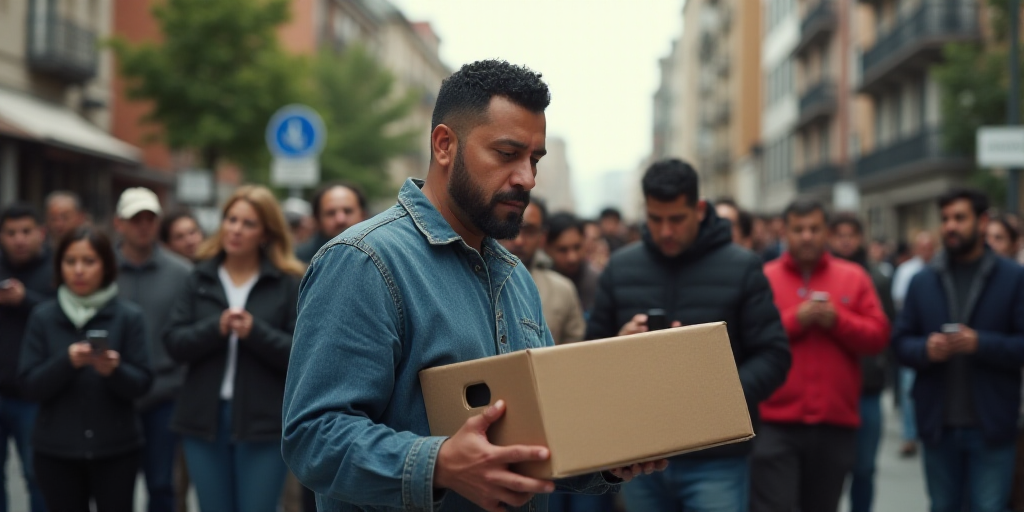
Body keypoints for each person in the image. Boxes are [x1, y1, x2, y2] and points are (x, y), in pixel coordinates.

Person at [283, 59, 660, 512]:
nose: (527, 178)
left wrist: (607, 457)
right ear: (444, 145)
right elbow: (313, 437)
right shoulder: (363, 261)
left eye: (534, 160)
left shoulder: (516, 277)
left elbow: (535, 438)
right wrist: (439, 464)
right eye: (507, 153)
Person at [585, 159, 790, 512]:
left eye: (676, 219)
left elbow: (774, 355)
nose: (666, 231)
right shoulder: (621, 267)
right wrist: (619, 344)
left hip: (717, 456)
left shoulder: (742, 266)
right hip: (640, 453)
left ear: (699, 209)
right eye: (655, 219)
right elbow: (588, 358)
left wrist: (716, 396)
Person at [163, 185, 304, 512]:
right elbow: (174, 342)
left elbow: (300, 354)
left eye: (248, 223)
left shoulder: (287, 282)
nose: (236, 229)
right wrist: (217, 327)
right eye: (231, 219)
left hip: (263, 420)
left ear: (266, 233)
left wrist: (255, 332)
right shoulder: (199, 277)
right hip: (204, 418)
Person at [892, 188, 1024, 512]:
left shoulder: (1013, 278)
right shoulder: (923, 281)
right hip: (938, 425)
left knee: (989, 507)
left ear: (982, 222)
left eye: (960, 218)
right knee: (943, 506)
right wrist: (926, 349)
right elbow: (900, 343)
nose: (950, 226)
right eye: (945, 219)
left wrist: (981, 343)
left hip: (992, 424)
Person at [753, 200, 889, 512]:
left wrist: (838, 321)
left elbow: (879, 337)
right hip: (775, 422)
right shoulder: (764, 277)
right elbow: (748, 337)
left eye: (814, 229)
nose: (807, 236)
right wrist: (794, 321)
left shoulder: (853, 277)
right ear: (785, 232)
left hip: (834, 422)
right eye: (798, 229)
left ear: (826, 232)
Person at [19, 226, 153, 512]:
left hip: (116, 448)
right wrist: (66, 363)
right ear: (59, 266)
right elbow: (29, 384)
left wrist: (114, 370)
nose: (79, 270)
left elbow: (142, 383)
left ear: (106, 265)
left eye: (89, 261)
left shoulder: (128, 316)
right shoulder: (43, 316)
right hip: (56, 449)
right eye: (70, 261)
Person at [113, 188, 193, 512]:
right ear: (119, 223)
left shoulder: (181, 272)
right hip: (113, 393)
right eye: (136, 219)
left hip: (164, 395)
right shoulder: (101, 268)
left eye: (150, 218)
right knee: (114, 485)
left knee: (162, 484)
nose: (143, 225)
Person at [829, 213, 897, 512]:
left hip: (868, 386)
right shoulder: (821, 275)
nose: (845, 241)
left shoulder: (876, 278)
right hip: (832, 387)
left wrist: (883, 368)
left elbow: (887, 328)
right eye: (840, 235)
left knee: (865, 468)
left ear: (860, 238)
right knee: (829, 470)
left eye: (851, 235)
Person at [0, 204, 54, 512]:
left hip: (34, 396)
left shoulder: (56, 268)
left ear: (41, 233)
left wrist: (25, 300)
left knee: (38, 476)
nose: (19, 239)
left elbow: (64, 316)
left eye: (25, 231)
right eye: (11, 233)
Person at [499, 199, 585, 345]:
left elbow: (574, 350)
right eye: (510, 227)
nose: (519, 240)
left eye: (529, 231)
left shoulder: (562, 289)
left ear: (542, 237)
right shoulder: (474, 284)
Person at [891, 230, 937, 458]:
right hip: (916, 335)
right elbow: (900, 303)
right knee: (908, 390)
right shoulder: (907, 271)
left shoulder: (941, 270)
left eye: (930, 247)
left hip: (938, 339)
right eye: (922, 247)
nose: (926, 251)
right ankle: (909, 435)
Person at [295, 182, 368, 263]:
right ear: (317, 219)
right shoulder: (299, 261)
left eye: (347, 211)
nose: (340, 220)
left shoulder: (376, 253)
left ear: (363, 215)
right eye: (331, 213)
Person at [546, 212, 601, 315]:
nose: (572, 258)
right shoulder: (540, 284)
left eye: (577, 247)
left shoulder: (598, 282)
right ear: (547, 248)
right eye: (563, 250)